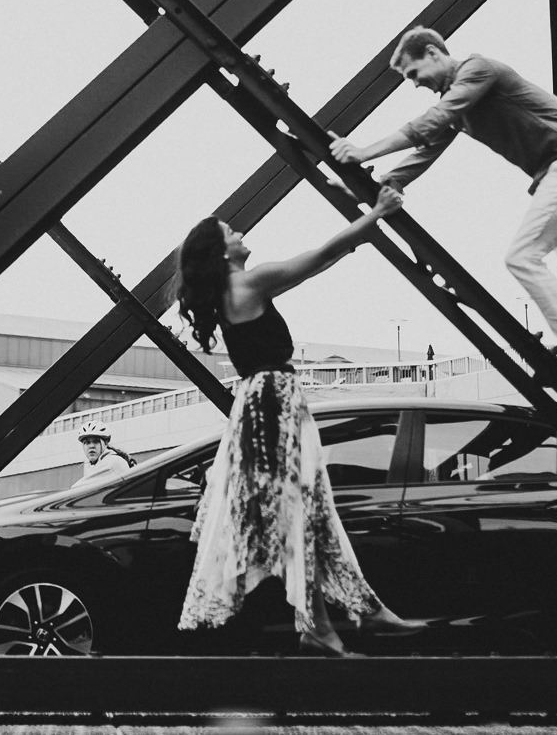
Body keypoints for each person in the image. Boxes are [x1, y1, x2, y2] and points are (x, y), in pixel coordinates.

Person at [329, 28, 557, 440]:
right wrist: (377, 182)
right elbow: (425, 149)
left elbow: (430, 122)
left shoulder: (477, 70)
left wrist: (362, 151)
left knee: (522, 256)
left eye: (414, 72)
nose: (415, 84)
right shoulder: (461, 103)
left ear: (433, 52)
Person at [175, 188, 417, 656]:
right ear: (222, 251)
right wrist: (377, 214)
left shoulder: (232, 291)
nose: (241, 232)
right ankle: (335, 622)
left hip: (265, 404)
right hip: (272, 405)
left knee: (302, 511)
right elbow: (320, 256)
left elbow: (323, 257)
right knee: (301, 509)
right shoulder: (246, 282)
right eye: (231, 230)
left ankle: (335, 620)